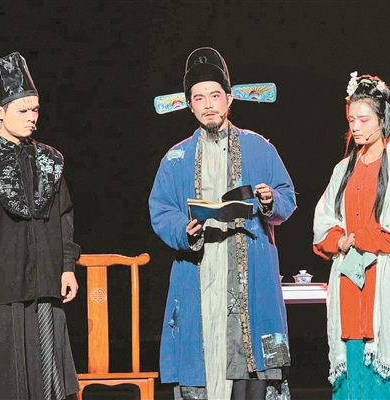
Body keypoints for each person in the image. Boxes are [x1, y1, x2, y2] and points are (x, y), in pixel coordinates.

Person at [149, 47, 296, 400]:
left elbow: (287, 197)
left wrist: (269, 201)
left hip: (250, 268)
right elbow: (161, 209)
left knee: (251, 363)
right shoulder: (176, 157)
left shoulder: (259, 148)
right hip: (199, 270)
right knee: (203, 356)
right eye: (199, 98)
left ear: (229, 99)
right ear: (190, 104)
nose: (208, 105)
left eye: (215, 95)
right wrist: (183, 231)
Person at [0, 52, 81, 400]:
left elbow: (64, 215)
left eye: (35, 110)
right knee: (3, 382)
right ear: (0, 111)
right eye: (23, 111)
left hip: (45, 285)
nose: (32, 118)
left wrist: (67, 266)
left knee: (47, 382)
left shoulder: (49, 159)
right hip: (0, 288)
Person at [312, 72, 390, 399]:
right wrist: (338, 240)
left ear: (383, 120)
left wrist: (365, 237)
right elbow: (323, 221)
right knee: (355, 379)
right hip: (351, 288)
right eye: (351, 120)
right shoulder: (343, 170)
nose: (355, 127)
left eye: (364, 120)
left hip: (388, 285)